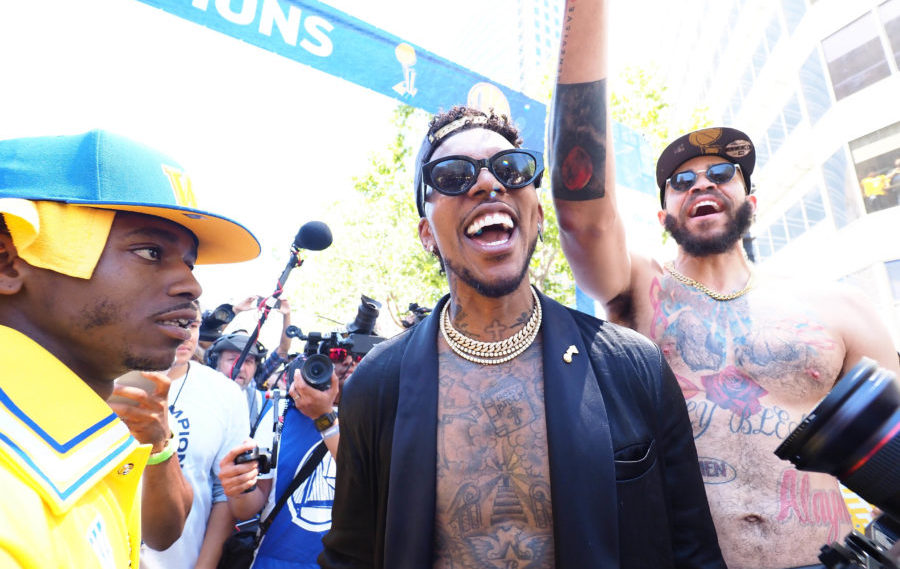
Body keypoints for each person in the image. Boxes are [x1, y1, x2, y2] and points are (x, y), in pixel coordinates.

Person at [549, 3, 900, 567]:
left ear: (750, 202)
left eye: (721, 173)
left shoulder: (839, 308)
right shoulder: (637, 289)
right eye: (680, 181)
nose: (700, 183)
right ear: (662, 215)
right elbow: (581, 212)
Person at [319, 104, 726, 568]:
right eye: (453, 175)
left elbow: (694, 551)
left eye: (511, 170)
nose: (488, 184)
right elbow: (350, 556)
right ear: (426, 233)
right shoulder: (377, 383)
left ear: (538, 216)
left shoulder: (634, 366)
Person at [0, 129, 259, 567]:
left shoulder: (81, 437)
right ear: (8, 262)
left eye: (189, 262)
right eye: (149, 251)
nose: (192, 285)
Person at [140, 301, 252, 569]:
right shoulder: (110, 379)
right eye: (174, 322)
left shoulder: (225, 394)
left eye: (192, 324)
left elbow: (223, 493)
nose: (185, 334)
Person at [217, 354, 341, 568]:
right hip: (276, 559)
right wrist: (239, 488)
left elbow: (366, 484)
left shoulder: (374, 415)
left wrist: (324, 417)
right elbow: (250, 506)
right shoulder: (282, 412)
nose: (342, 368)